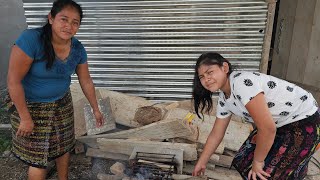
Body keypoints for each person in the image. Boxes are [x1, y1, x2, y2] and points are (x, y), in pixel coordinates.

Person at [7, 0, 104, 179]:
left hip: (62, 103)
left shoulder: (78, 49)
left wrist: (96, 108)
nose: (69, 26)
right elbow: (13, 81)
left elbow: (86, 80)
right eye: (64, 19)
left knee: (63, 145)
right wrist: (25, 118)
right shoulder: (31, 40)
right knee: (38, 157)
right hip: (31, 105)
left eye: (75, 22)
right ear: (51, 18)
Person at [191, 52, 319, 180]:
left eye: (210, 72)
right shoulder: (224, 98)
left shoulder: (242, 83)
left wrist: (258, 162)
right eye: (201, 76)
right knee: (244, 160)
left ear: (225, 68)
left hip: (304, 121)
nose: (206, 79)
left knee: (264, 173)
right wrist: (202, 162)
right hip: (281, 123)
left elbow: (268, 129)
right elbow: (216, 134)